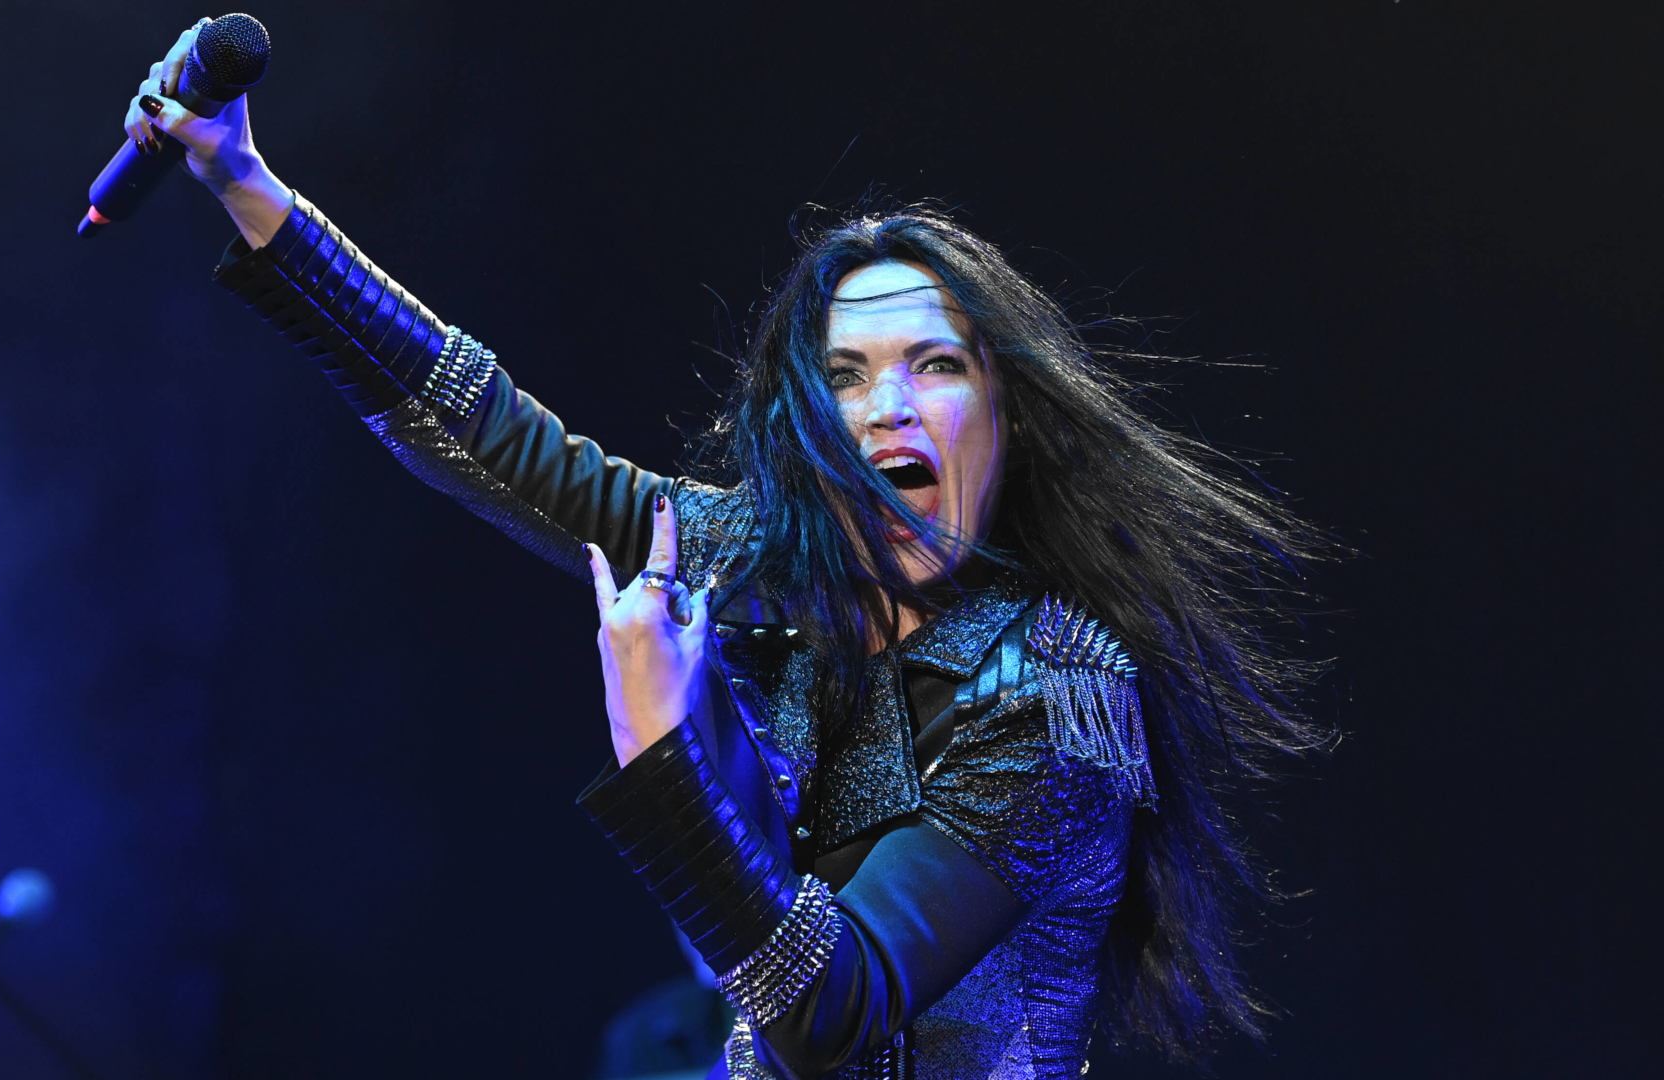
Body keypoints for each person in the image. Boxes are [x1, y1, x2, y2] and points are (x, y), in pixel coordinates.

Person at [123, 20, 1323, 1079]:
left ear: (1005, 415)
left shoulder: (1054, 690)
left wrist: (660, 752)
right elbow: (501, 447)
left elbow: (831, 1012)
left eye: (935, 365)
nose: (887, 408)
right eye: (845, 376)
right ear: (810, 428)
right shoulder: (770, 567)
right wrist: (250, 190)